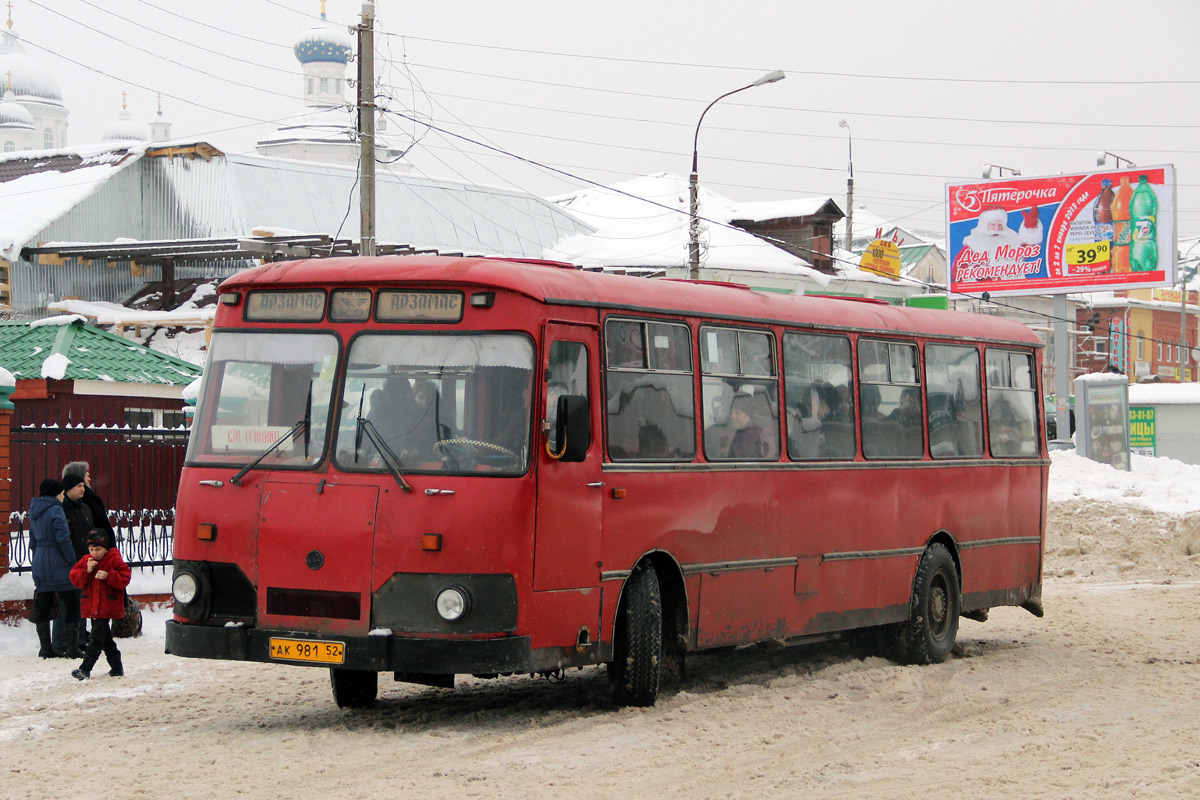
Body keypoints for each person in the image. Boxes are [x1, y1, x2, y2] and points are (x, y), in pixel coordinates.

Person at [29, 479, 83, 660]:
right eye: (61, 493)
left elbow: (32, 540)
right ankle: (72, 648)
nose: (62, 496)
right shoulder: (56, 510)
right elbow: (63, 537)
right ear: (55, 494)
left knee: (43, 602)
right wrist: (72, 560)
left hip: (40, 561)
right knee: (73, 603)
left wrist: (39, 556)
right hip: (58, 562)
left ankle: (46, 648)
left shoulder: (34, 510)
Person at [69, 530, 132, 680]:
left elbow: (125, 578)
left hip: (107, 606)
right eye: (92, 550)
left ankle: (85, 669)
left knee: (95, 639)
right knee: (105, 639)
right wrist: (87, 571)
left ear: (105, 548)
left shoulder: (114, 559)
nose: (95, 553)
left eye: (98, 549)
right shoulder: (86, 561)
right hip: (92, 606)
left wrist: (109, 575)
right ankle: (116, 667)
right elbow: (75, 579)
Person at [54, 473, 94, 653]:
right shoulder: (61, 509)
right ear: (68, 489)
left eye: (83, 485)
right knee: (67, 602)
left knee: (82, 601)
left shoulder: (84, 508)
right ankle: (62, 642)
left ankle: (80, 640)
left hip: (85, 561)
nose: (83, 488)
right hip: (68, 562)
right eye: (79, 485)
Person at [62, 461, 115, 548]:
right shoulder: (83, 499)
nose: (89, 479)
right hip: (95, 547)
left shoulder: (88, 498)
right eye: (86, 475)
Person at [728, 392, 767, 458]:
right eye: (731, 412)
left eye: (738, 413)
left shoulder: (760, 435)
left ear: (749, 415)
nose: (732, 416)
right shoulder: (729, 431)